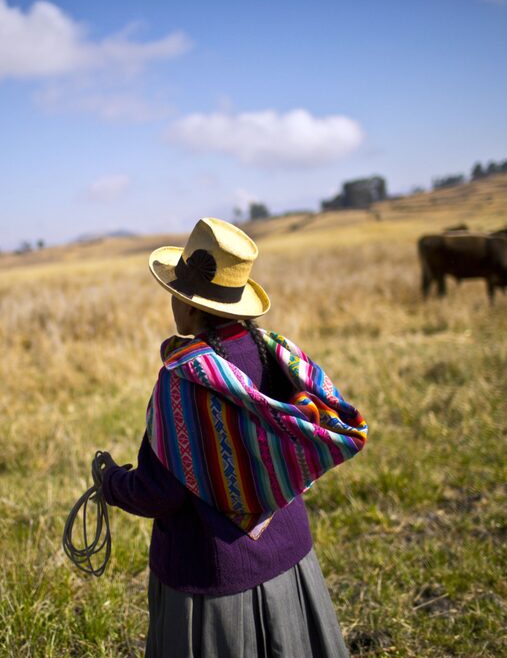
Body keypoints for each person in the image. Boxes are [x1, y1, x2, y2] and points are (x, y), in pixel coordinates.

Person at [97, 217, 368, 657]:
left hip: (212, 581)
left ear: (188, 306)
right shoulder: (278, 354)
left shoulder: (183, 380)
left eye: (174, 295)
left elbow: (159, 493)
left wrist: (111, 483)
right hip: (291, 563)